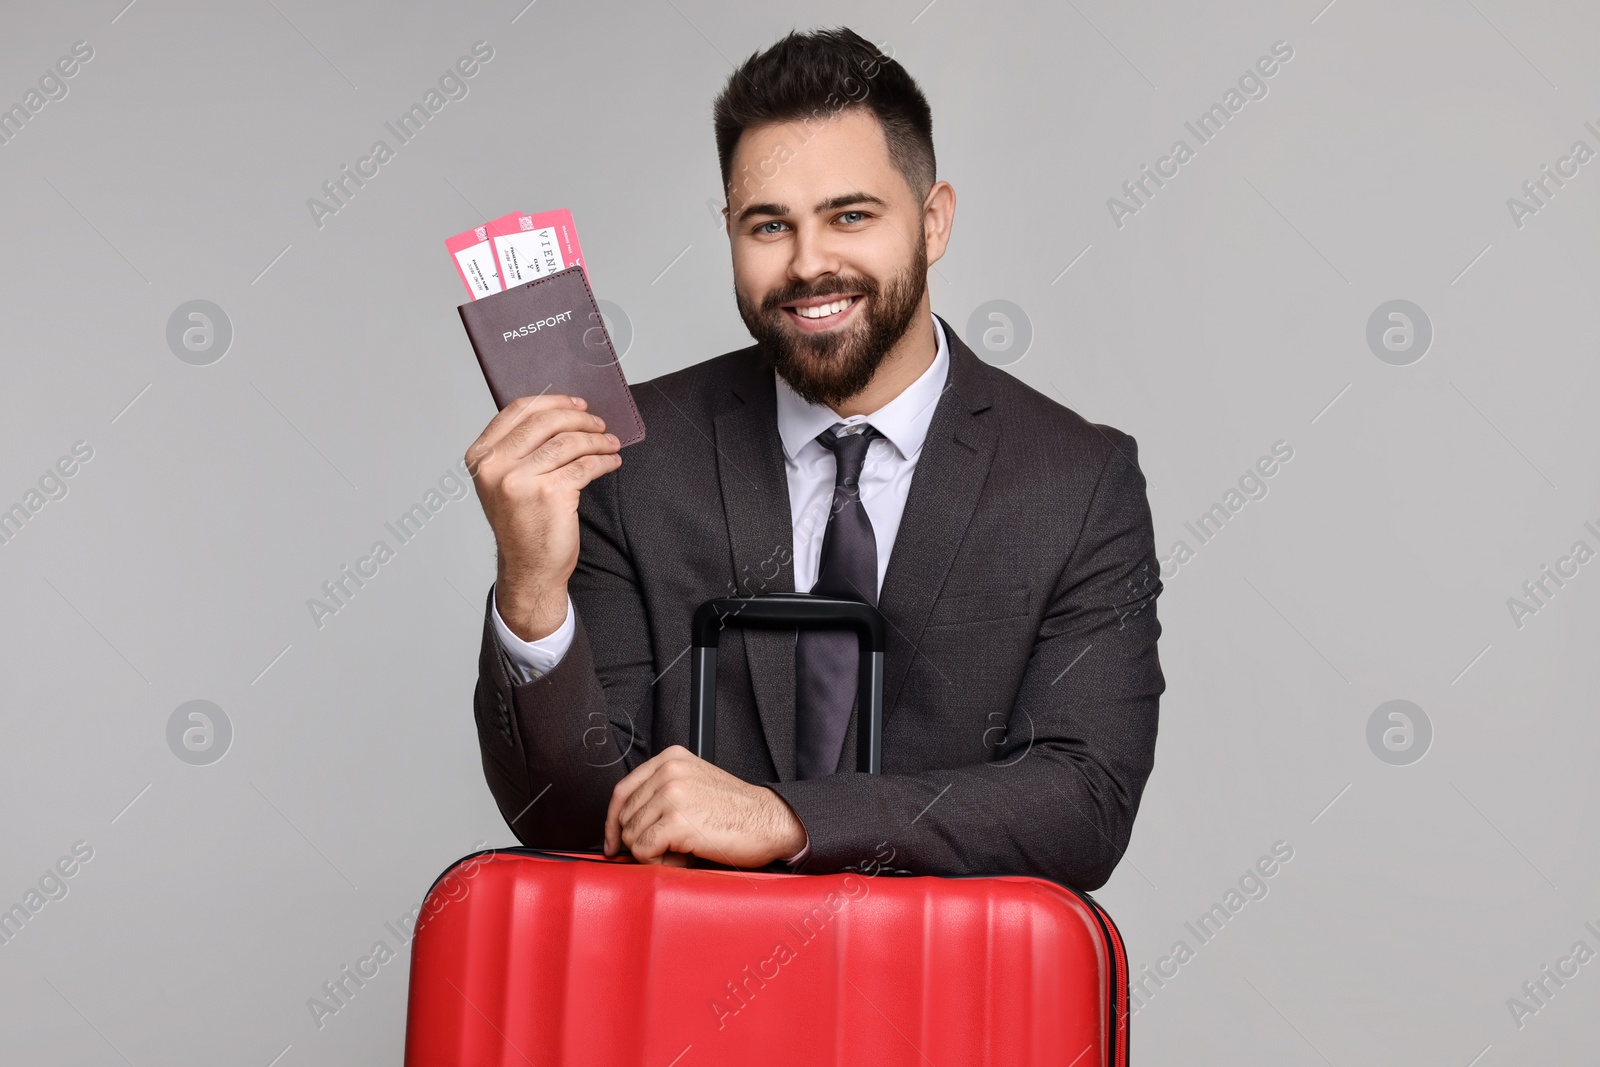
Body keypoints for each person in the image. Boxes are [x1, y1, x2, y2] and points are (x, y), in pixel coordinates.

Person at [465, 26, 1164, 889]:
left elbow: (1082, 802)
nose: (808, 264)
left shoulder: (1076, 482)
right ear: (729, 231)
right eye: (768, 225)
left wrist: (789, 819)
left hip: (942, 1004)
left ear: (934, 220)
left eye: (851, 215)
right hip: (684, 999)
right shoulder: (629, 456)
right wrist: (531, 592)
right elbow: (569, 822)